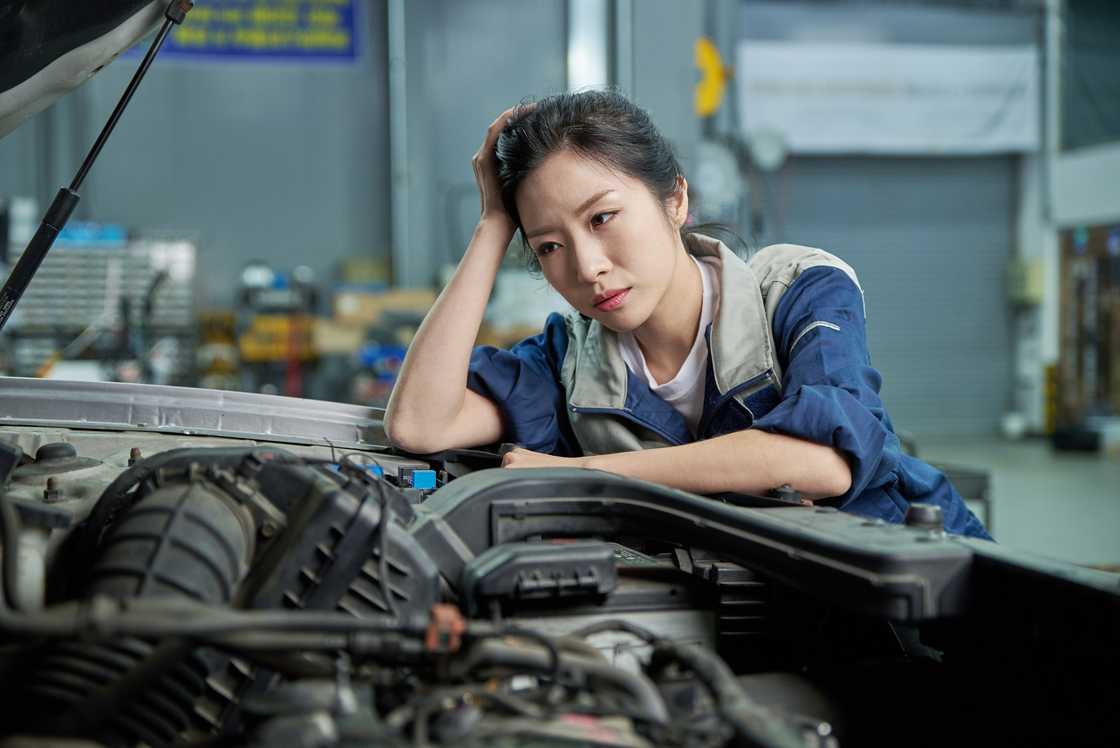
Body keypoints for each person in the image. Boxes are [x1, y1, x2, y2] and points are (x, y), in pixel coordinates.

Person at [385, 90, 991, 539]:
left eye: (602, 218)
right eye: (549, 246)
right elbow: (419, 425)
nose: (588, 266)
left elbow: (822, 462)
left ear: (675, 200)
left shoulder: (797, 288)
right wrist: (494, 222)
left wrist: (584, 472)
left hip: (921, 585)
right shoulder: (570, 361)